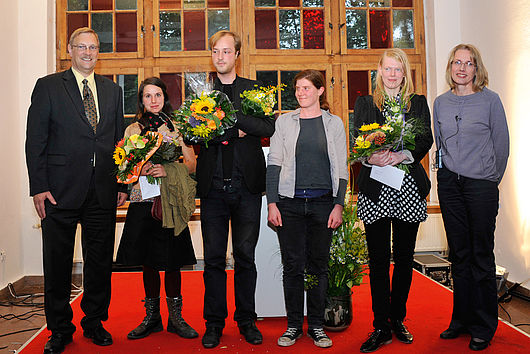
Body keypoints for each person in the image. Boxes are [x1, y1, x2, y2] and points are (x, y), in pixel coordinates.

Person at [25, 27, 127, 353]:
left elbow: (118, 143)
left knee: (100, 264)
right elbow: (35, 141)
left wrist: (123, 182)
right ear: (70, 50)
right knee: (57, 264)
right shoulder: (49, 87)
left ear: (99, 51)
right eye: (81, 46)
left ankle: (94, 322)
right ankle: (59, 329)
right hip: (58, 191)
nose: (87, 52)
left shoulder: (112, 91)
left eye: (93, 47)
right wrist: (39, 187)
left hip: (102, 191)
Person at [195, 30, 275, 349]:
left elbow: (267, 126)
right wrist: (233, 131)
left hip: (247, 188)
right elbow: (193, 134)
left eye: (227, 52)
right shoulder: (202, 92)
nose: (221, 57)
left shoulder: (254, 90)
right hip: (212, 189)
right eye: (216, 51)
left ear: (237, 55)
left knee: (245, 257)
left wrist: (232, 121)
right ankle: (214, 324)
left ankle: (246, 321)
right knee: (213, 260)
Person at [353, 48, 433, 353]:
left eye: (398, 69)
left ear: (405, 73)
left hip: (408, 187)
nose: (392, 74)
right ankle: (380, 326)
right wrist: (371, 155)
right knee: (376, 262)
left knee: (402, 258)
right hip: (376, 188)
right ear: (379, 71)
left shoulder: (418, 103)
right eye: (387, 69)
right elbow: (358, 139)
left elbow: (425, 138)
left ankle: (398, 318)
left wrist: (402, 154)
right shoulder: (365, 102)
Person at [433, 44, 509, 352]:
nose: (462, 68)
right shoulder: (440, 103)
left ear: (477, 68)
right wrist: (444, 176)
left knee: (480, 255)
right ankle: (461, 319)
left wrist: (490, 179)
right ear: (450, 67)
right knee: (459, 254)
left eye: (468, 63)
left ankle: (483, 325)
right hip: (450, 184)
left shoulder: (491, 101)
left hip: (481, 185)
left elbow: (501, 146)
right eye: (456, 62)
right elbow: (441, 145)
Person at [267, 69, 348, 348]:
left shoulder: (334, 124)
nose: (301, 93)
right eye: (298, 88)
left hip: (323, 204)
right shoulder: (284, 123)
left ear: (320, 91)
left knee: (318, 267)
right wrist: (272, 203)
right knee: (292, 267)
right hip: (288, 205)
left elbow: (342, 169)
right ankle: (292, 326)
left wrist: (338, 205)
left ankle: (315, 325)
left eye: (307, 88)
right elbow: (274, 164)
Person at [115, 77, 198, 341]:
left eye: (158, 95)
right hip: (142, 202)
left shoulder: (178, 127)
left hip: (171, 202)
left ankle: (176, 318)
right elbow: (123, 167)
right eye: (148, 96)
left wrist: (168, 168)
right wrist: (140, 165)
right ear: (141, 100)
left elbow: (192, 163)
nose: (153, 100)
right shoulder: (132, 130)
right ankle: (152, 318)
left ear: (165, 98)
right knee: (147, 262)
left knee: (173, 262)